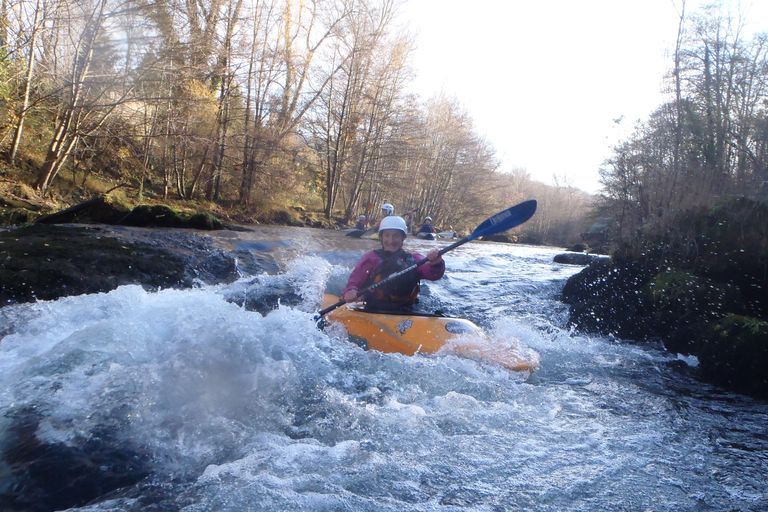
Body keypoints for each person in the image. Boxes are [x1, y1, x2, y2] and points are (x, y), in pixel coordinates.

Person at [342, 215, 444, 310]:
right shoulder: (371, 258)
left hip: (406, 309)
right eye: (387, 235)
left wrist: (437, 262)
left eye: (396, 236)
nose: (390, 241)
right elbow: (355, 280)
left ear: (403, 238)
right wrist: (351, 290)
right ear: (381, 237)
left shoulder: (414, 258)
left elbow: (434, 274)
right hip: (373, 308)